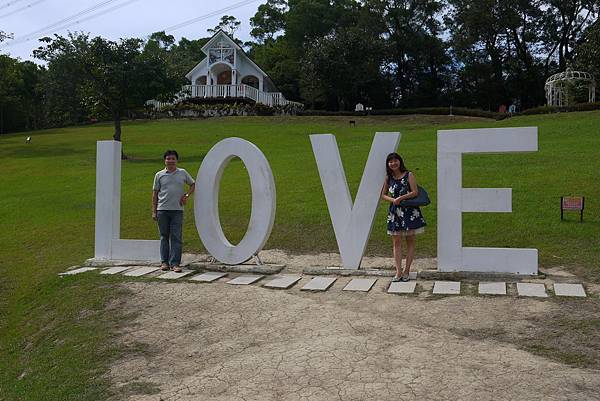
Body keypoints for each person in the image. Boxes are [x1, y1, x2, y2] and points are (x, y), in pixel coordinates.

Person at [380, 153, 426, 282]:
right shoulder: (388, 178)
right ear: (388, 164)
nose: (393, 163)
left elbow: (415, 192)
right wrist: (393, 200)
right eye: (390, 162)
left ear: (400, 161)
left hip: (409, 212)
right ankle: (398, 272)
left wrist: (401, 198)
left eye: (395, 161)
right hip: (395, 213)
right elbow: (383, 195)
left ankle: (407, 271)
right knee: (396, 241)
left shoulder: (409, 175)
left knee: (410, 241)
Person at [152, 150, 195, 272]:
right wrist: (154, 211)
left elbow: (193, 184)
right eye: (168, 158)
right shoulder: (159, 175)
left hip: (177, 210)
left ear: (176, 160)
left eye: (173, 158)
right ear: (164, 161)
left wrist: (186, 195)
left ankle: (175, 263)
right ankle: (164, 262)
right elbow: (154, 194)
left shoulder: (182, 173)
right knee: (163, 236)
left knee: (176, 237)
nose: (170, 161)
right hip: (162, 210)